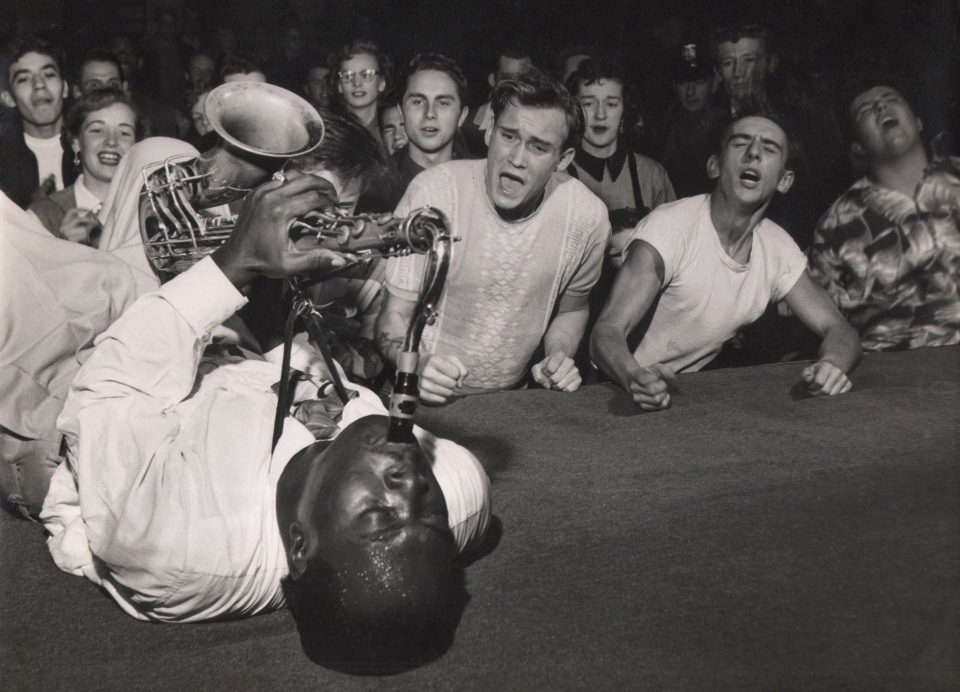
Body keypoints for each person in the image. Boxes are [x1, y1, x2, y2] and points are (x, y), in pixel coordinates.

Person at [39, 168, 490, 671]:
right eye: (429, 515)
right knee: (161, 162)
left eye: (378, 515)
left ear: (298, 546)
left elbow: (109, 387)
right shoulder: (458, 489)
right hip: (230, 352)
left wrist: (237, 261)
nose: (410, 485)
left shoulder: (178, 545)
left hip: (80, 386)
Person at [591, 114, 861, 410]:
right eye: (740, 143)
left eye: (769, 149)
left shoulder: (778, 247)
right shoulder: (670, 227)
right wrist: (633, 376)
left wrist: (832, 366)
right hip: (609, 389)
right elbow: (606, 331)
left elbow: (839, 329)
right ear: (715, 166)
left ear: (784, 181)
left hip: (682, 398)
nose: (754, 153)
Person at [376, 68, 610, 404]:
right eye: (509, 136)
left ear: (564, 159)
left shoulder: (587, 218)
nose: (516, 159)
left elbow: (573, 310)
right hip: (414, 397)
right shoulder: (432, 194)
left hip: (511, 405)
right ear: (489, 132)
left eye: (539, 147)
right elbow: (392, 316)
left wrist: (559, 355)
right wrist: (413, 366)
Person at [808, 79, 960, 351]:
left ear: (918, 121)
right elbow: (833, 329)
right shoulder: (835, 228)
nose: (880, 108)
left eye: (891, 100)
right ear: (857, 147)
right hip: (896, 380)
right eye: (866, 111)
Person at [566, 57, 676, 264]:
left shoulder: (652, 175)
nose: (600, 114)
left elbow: (674, 251)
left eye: (611, 104)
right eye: (588, 103)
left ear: (625, 109)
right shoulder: (558, 176)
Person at [28, 87, 139, 244]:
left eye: (124, 133)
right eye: (97, 130)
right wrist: (63, 250)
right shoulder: (41, 217)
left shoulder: (148, 210)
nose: (112, 141)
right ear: (76, 142)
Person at [0, 36, 76, 210]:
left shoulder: (90, 148)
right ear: (9, 98)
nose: (39, 84)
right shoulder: (4, 160)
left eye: (48, 74)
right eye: (24, 79)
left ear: (65, 88)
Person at [392, 53, 469, 193]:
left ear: (462, 116)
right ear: (401, 111)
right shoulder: (376, 185)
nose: (429, 113)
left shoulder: (482, 180)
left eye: (443, 103)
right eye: (418, 102)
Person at [660, 39, 724, 199]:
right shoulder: (662, 128)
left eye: (699, 82)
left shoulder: (724, 131)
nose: (690, 92)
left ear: (715, 83)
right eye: (683, 83)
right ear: (674, 85)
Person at [460, 46, 534, 158]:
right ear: (492, 79)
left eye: (523, 80)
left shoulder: (541, 128)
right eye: (507, 78)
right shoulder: (466, 124)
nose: (515, 87)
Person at [336, 39, 390, 149]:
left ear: (381, 83)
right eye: (348, 76)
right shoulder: (332, 134)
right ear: (340, 86)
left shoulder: (392, 131)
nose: (356, 83)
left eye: (366, 75)